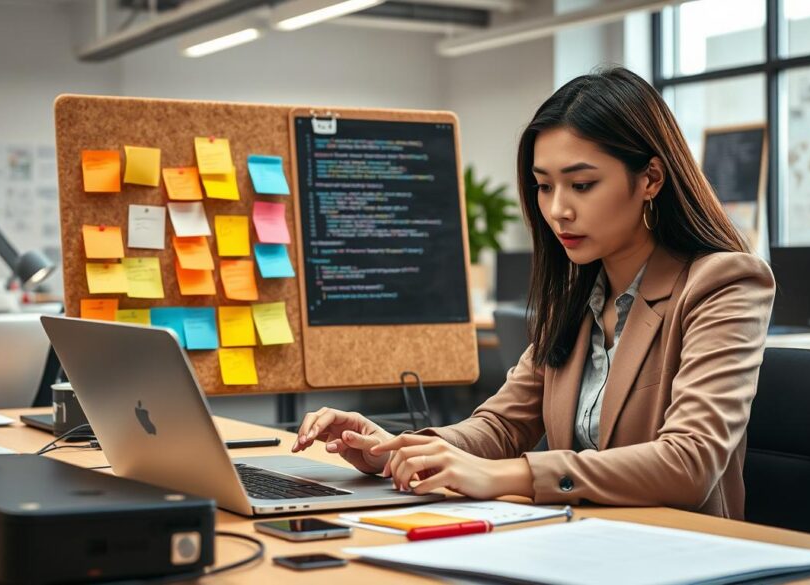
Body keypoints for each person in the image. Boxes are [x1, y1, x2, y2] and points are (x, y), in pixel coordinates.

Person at [291, 66, 775, 519]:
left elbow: (689, 464)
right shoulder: (576, 294)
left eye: (582, 185)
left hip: (676, 552)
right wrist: (394, 450)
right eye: (544, 187)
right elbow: (500, 427)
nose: (557, 209)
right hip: (576, 539)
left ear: (650, 178)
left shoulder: (723, 283)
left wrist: (510, 474)